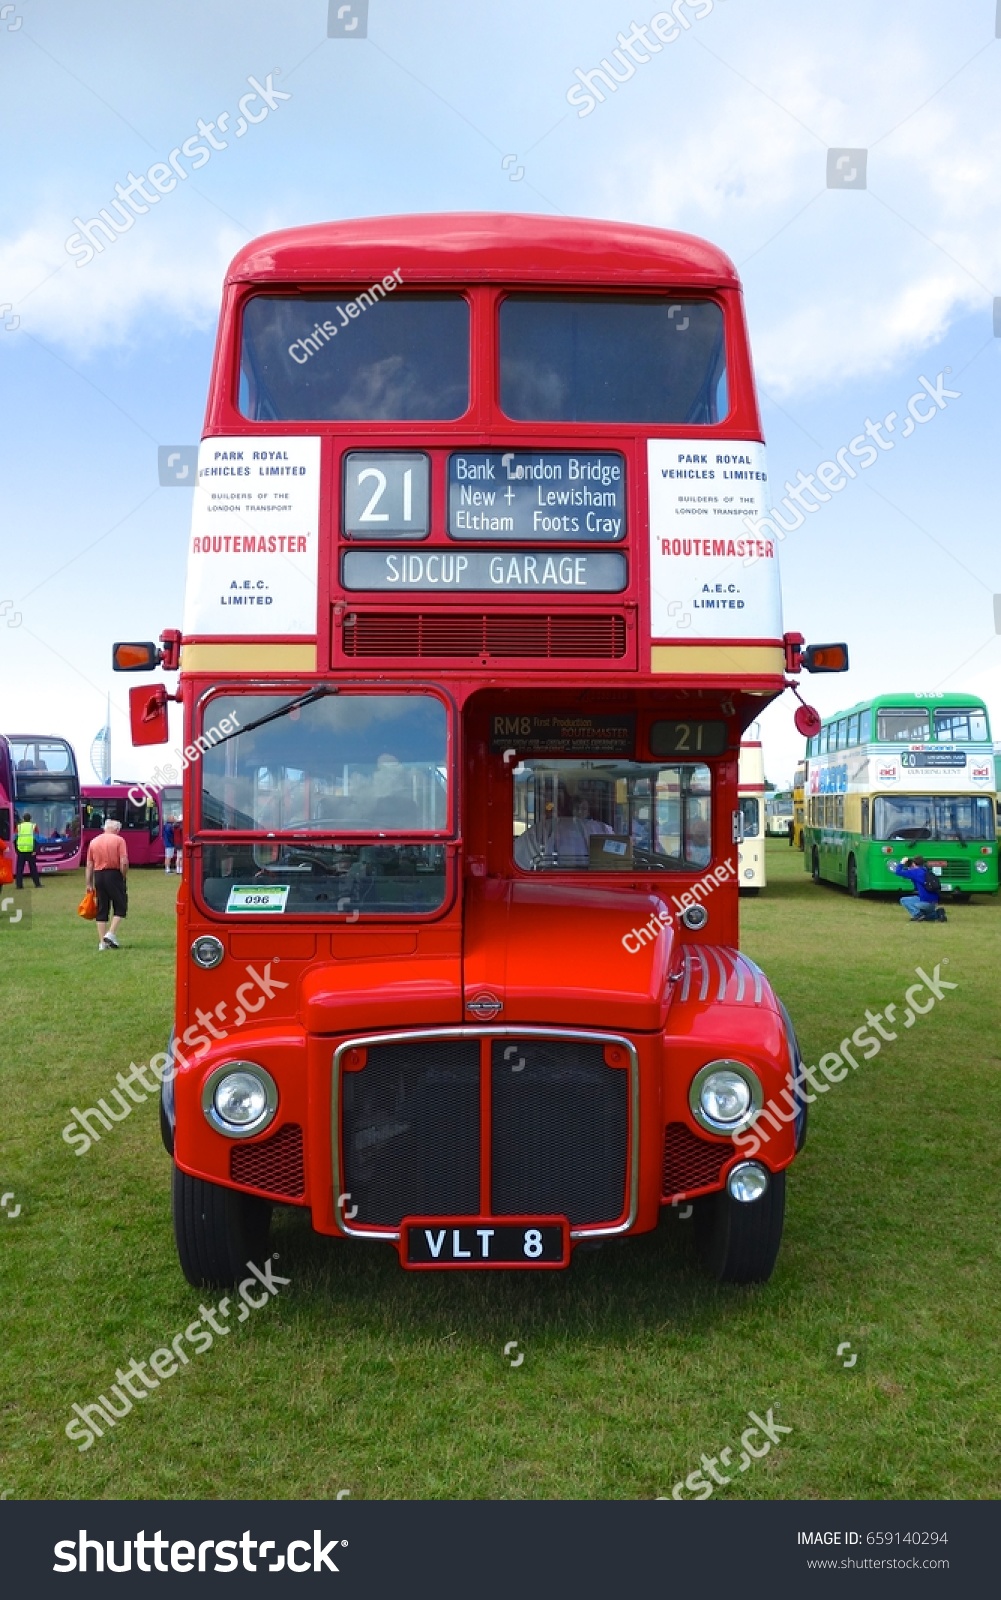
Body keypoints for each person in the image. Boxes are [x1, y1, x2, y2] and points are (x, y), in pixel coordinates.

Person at [86, 818, 129, 950]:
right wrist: (123, 875)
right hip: (114, 873)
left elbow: (89, 864)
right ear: (116, 830)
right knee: (121, 905)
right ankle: (111, 933)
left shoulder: (94, 841)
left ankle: (102, 943)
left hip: (99, 875)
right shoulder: (119, 840)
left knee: (102, 907)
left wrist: (89, 883)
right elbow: (124, 861)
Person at [888, 854, 946, 922]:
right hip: (934, 903)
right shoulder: (926, 870)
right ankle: (937, 914)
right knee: (926, 916)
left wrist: (902, 862)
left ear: (914, 863)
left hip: (925, 903)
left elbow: (898, 872)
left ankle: (917, 915)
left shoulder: (915, 872)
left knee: (903, 900)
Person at [14, 813, 42, 888]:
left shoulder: (18, 827)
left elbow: (14, 839)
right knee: (33, 869)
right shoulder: (34, 826)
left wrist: (16, 850)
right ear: (30, 819)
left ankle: (19, 885)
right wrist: (35, 850)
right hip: (31, 851)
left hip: (21, 851)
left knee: (19, 869)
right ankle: (37, 884)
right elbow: (37, 839)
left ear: (23, 819)